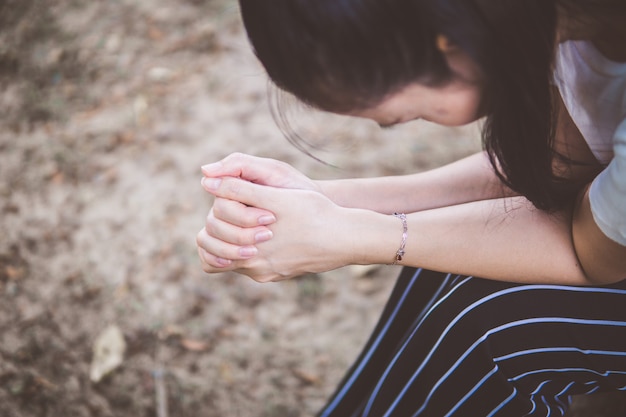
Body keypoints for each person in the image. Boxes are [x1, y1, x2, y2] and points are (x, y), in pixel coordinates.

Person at [196, 0, 626, 415]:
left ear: (449, 42)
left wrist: (356, 237)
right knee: (452, 249)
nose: (392, 122)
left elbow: (588, 254)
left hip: (601, 255)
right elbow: (557, 166)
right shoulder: (549, 21)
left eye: (395, 118)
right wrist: (331, 203)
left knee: (501, 321)